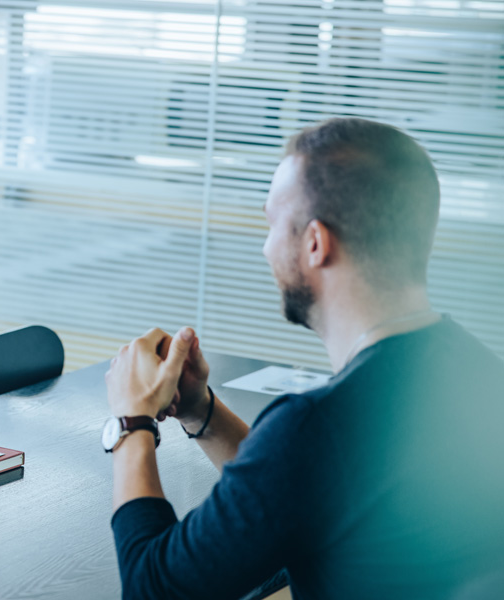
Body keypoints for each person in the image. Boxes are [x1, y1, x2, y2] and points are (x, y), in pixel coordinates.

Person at [103, 118, 504, 599]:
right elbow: (306, 485)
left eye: (273, 224)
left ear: (315, 243)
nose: (265, 245)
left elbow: (152, 590)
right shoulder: (478, 372)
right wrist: (200, 410)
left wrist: (132, 423)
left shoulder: (319, 426)